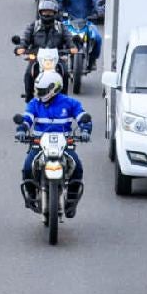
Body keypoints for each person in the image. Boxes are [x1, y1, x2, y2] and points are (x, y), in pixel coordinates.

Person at [15, 70, 91, 217]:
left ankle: (71, 201)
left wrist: (86, 130)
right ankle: (31, 196)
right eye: (38, 90)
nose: (39, 94)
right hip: (38, 145)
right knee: (27, 167)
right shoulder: (34, 103)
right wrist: (21, 130)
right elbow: (26, 119)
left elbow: (83, 117)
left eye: (42, 91)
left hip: (64, 145)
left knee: (77, 167)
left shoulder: (70, 103)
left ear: (54, 88)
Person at [16, 0, 75, 98]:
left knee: (65, 72)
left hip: (57, 57)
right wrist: (21, 47)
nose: (47, 14)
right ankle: (29, 97)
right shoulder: (33, 26)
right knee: (28, 73)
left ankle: (64, 98)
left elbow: (69, 38)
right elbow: (25, 38)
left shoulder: (61, 27)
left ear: (55, 13)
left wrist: (73, 47)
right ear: (40, 12)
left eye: (50, 12)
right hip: (36, 57)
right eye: (45, 12)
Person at [51, 0, 104, 71]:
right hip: (68, 22)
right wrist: (53, 6)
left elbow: (98, 0)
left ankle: (92, 60)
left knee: (98, 38)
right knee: (55, 37)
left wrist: (100, 10)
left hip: (86, 21)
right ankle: (57, 60)